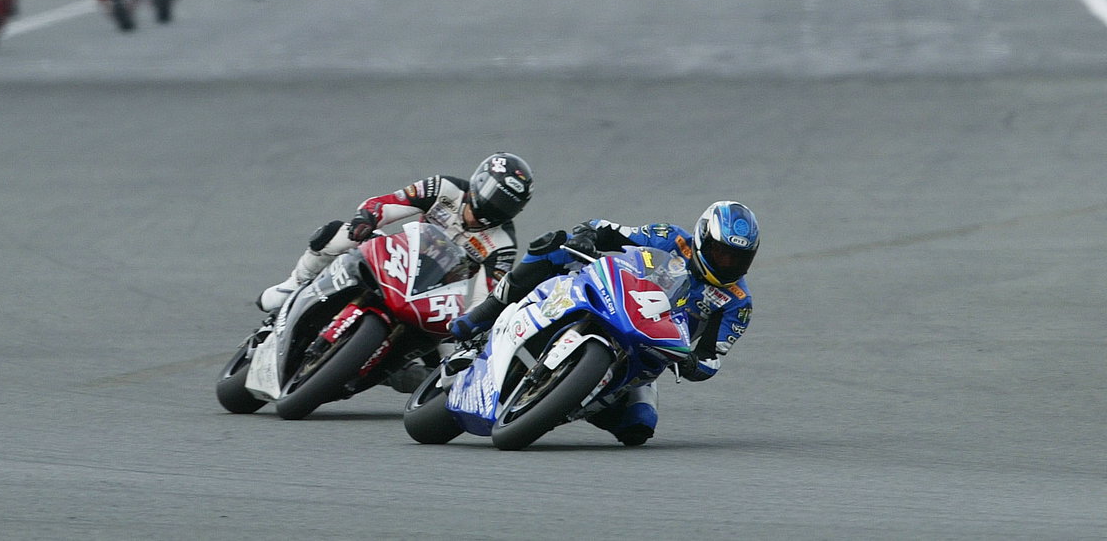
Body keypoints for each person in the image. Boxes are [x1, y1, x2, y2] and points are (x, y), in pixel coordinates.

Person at [448, 200, 759, 447]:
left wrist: (693, 365)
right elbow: (610, 230)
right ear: (703, 237)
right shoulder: (672, 238)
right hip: (617, 299)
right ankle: (481, 317)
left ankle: (565, 402)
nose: (727, 263)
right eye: (721, 252)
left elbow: (711, 357)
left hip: (651, 349)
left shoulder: (736, 302)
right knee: (554, 246)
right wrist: (586, 236)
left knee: (639, 427)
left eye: (737, 258)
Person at [257, 152, 534, 315]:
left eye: (505, 203)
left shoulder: (502, 245)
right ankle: (294, 284)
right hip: (398, 258)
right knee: (334, 233)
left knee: (452, 363)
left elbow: (483, 301)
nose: (494, 206)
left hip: (437, 295)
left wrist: (468, 325)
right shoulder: (444, 188)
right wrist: (366, 219)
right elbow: (387, 204)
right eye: (492, 195)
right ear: (478, 181)